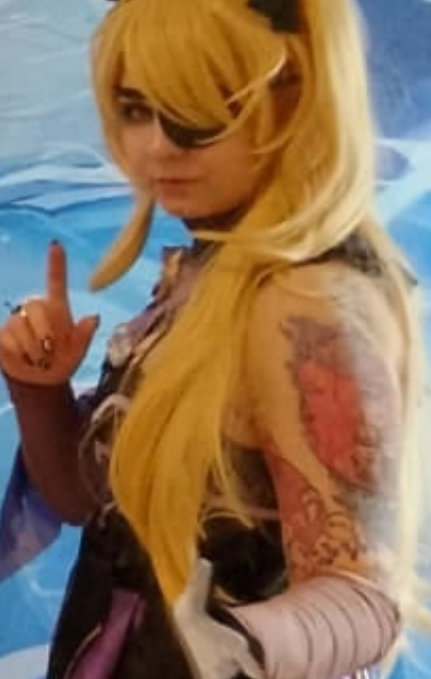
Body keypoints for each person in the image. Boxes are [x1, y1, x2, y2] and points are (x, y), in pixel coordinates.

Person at [0, 0, 429, 677]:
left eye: (202, 110)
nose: (158, 146)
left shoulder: (304, 306)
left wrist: (245, 642)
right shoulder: (213, 274)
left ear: (297, 101)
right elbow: (87, 504)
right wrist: (38, 390)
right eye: (136, 108)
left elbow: (365, 598)